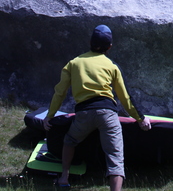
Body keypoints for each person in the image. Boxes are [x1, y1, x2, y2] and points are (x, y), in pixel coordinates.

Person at [43, 25, 151, 190]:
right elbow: (125, 98)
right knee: (115, 157)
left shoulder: (74, 63)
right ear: (110, 47)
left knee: (70, 141)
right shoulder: (112, 66)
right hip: (108, 113)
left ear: (90, 43)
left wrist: (50, 115)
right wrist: (141, 119)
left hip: (84, 114)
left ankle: (64, 178)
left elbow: (60, 92)